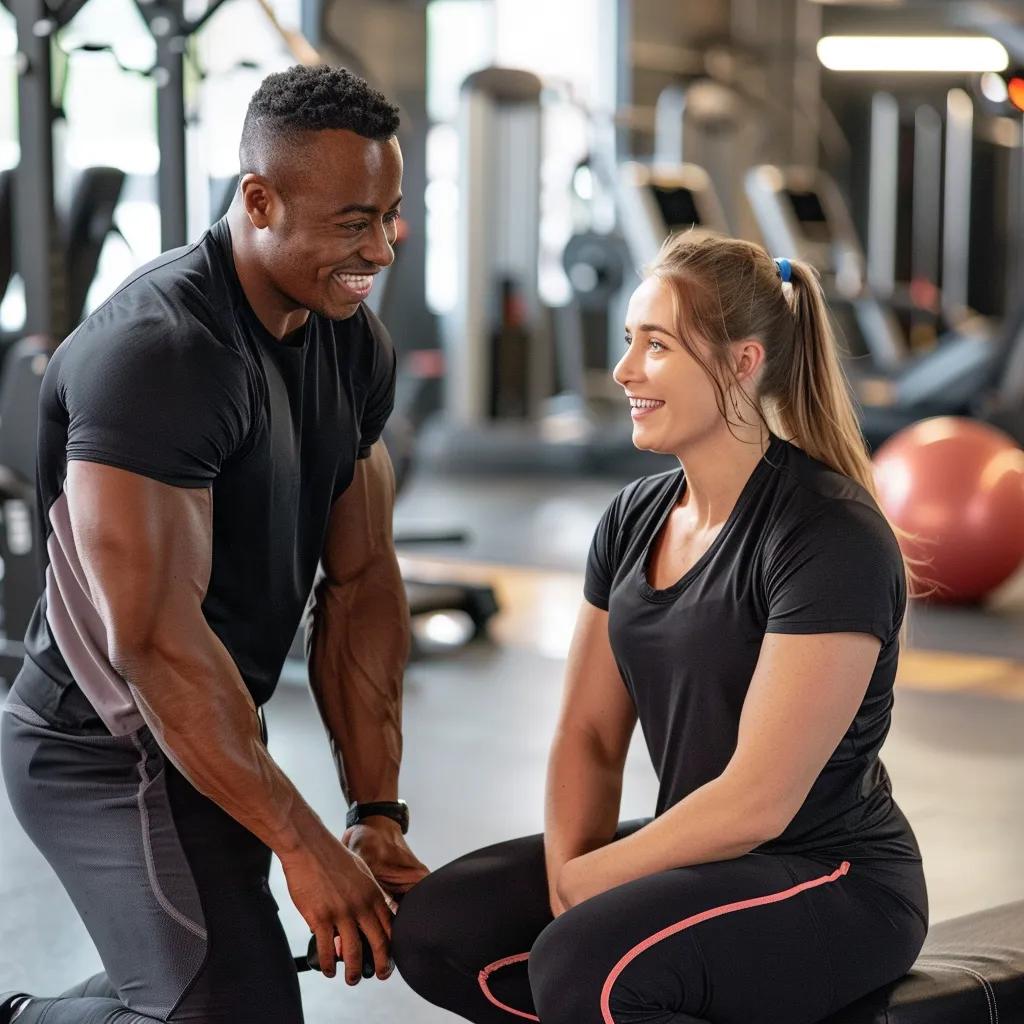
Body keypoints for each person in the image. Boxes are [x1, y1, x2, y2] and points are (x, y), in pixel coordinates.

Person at [391, 236, 928, 1024]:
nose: (624, 371)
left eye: (657, 346)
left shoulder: (827, 533)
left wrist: (589, 888)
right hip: (710, 856)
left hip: (831, 873)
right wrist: (569, 872)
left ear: (743, 364)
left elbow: (758, 803)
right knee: (441, 931)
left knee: (588, 966)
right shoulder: (635, 518)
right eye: (628, 341)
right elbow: (589, 735)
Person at [0, 64, 428, 1024]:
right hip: (103, 751)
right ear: (259, 199)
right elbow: (152, 641)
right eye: (353, 221)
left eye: (390, 215)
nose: (382, 250)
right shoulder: (161, 356)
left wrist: (374, 814)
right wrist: (305, 845)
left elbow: (361, 584)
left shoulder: (352, 341)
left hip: (209, 725)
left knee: (220, 978)